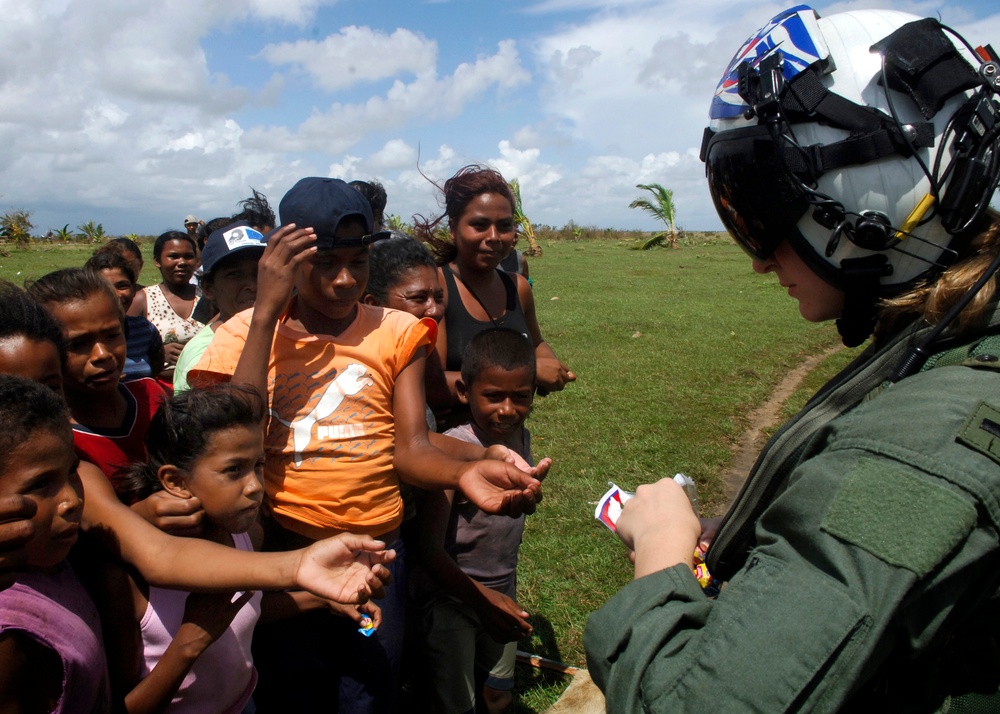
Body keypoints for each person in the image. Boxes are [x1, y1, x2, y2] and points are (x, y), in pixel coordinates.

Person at [585, 7, 1000, 711]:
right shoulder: (952, 337)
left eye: (760, 205)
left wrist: (658, 553)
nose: (757, 262)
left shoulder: (928, 439)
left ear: (863, 198)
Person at [190, 176, 548, 712]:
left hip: (380, 556)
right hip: (289, 550)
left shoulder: (396, 331)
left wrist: (464, 470)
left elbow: (410, 447)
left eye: (357, 264)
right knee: (296, 686)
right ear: (286, 263)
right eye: (323, 265)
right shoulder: (243, 334)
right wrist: (266, 311)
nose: (342, 280)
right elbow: (237, 431)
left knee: (367, 686)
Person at [111, 385, 383, 712]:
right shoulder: (125, 578)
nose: (255, 487)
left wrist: (319, 599)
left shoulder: (245, 534)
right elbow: (121, 707)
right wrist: (187, 645)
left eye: (257, 465)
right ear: (175, 481)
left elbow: (242, 609)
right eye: (233, 470)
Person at [416, 328, 538, 714]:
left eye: (520, 397)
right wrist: (479, 599)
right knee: (457, 703)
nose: (507, 409)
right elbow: (428, 548)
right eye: (493, 396)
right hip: (452, 599)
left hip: (503, 588)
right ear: (466, 393)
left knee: (498, 693)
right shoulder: (454, 451)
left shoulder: (522, 439)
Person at [413, 165, 573, 425]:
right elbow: (433, 384)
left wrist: (550, 363)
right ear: (454, 228)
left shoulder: (518, 288)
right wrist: (529, 374)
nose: (494, 237)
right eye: (479, 225)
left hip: (510, 437)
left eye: (504, 226)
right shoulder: (438, 289)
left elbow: (535, 343)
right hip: (453, 445)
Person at [0, 374, 111, 713]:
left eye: (71, 472)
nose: (71, 500)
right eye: (41, 484)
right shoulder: (12, 638)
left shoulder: (56, 562)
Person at [173, 221, 266, 392]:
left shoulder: (285, 333)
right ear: (208, 288)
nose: (253, 285)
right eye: (235, 275)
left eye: (260, 272)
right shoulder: (205, 357)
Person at [128, 231, 205, 381]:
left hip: (205, 387)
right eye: (174, 256)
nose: (182, 262)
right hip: (159, 390)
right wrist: (158, 354)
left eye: (188, 256)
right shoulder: (143, 300)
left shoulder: (208, 297)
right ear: (157, 261)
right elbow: (127, 353)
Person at [85, 251, 165, 380]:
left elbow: (155, 369)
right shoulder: (79, 335)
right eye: (106, 287)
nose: (116, 294)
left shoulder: (144, 329)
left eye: (122, 286)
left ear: (134, 289)